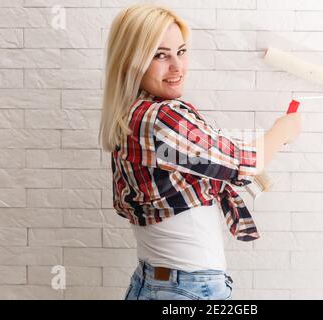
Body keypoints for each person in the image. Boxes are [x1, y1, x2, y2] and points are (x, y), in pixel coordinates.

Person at [99, 3, 301, 300]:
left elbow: (215, 157)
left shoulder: (131, 116)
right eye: (160, 55)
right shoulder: (162, 119)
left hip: (157, 282)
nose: (177, 67)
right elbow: (245, 164)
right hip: (186, 289)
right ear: (131, 61)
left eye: (181, 51)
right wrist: (283, 129)